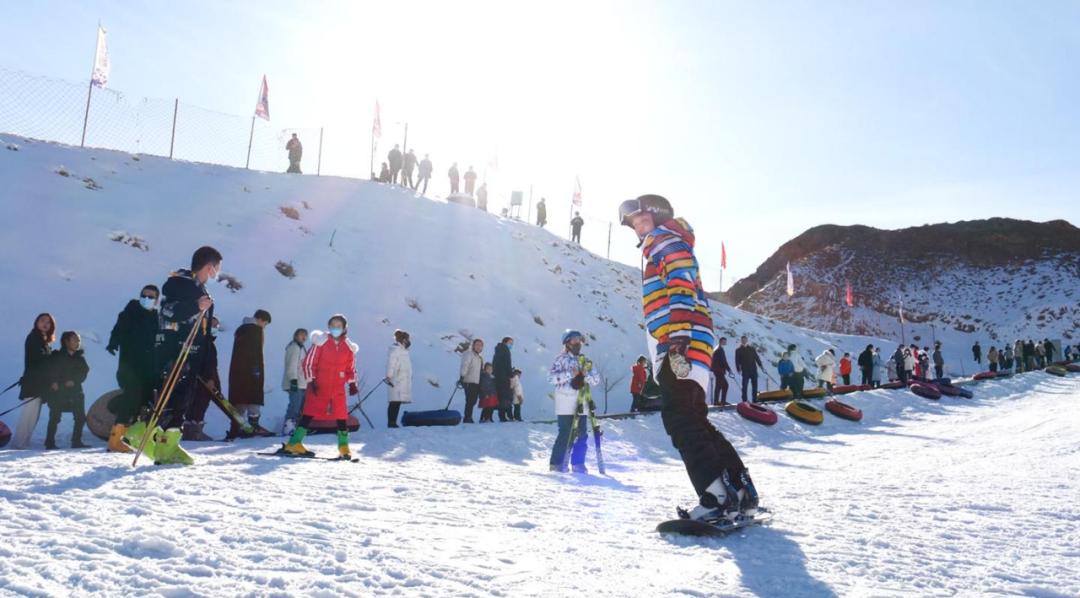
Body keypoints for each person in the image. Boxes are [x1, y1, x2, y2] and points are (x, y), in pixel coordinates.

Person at [619, 193, 758, 520]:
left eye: (643, 219)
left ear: (657, 216)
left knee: (680, 419)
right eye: (634, 223)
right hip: (691, 339)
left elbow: (680, 283)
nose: (639, 227)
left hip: (681, 338)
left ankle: (715, 498)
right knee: (694, 420)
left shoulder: (664, 241)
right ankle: (740, 490)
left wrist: (678, 334)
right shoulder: (669, 241)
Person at [126, 246, 221, 465]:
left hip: (191, 351)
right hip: (176, 349)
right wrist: (195, 307)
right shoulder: (181, 284)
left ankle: (166, 443)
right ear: (209, 267)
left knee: (182, 398)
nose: (217, 274)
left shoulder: (199, 289)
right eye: (217, 269)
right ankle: (145, 433)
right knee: (171, 396)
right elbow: (169, 311)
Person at [281, 314, 359, 458]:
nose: (335, 328)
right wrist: (311, 380)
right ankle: (294, 443)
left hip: (337, 387)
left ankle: (344, 448)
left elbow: (351, 368)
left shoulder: (349, 347)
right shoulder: (320, 342)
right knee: (309, 413)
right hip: (319, 385)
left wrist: (353, 382)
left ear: (344, 328)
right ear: (329, 326)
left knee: (342, 415)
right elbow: (309, 363)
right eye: (333, 325)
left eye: (338, 325)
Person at [105, 286, 159, 452]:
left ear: (156, 300)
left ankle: (131, 437)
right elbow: (119, 328)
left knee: (142, 401)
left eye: (151, 296)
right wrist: (113, 342)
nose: (147, 298)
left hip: (148, 368)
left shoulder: (156, 317)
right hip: (129, 365)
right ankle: (116, 439)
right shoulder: (130, 311)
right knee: (132, 397)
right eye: (144, 295)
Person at [547, 329, 600, 473]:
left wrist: (585, 375)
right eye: (574, 340)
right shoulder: (561, 359)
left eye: (579, 340)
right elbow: (551, 378)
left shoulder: (586, 361)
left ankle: (578, 463)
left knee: (582, 434)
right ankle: (557, 463)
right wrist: (570, 374)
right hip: (565, 401)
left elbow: (596, 380)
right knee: (565, 433)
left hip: (581, 402)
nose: (578, 343)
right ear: (567, 342)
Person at [12, 313, 56, 449]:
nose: (45, 324)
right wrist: (54, 357)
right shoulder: (34, 338)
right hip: (33, 383)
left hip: (38, 383)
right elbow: (39, 359)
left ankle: (22, 444)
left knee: (33, 415)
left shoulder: (42, 340)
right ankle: (19, 445)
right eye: (42, 321)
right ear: (36, 322)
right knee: (29, 415)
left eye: (48, 322)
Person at [227, 309, 272, 439]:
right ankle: (253, 426)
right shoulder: (255, 330)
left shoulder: (242, 329)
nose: (264, 326)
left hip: (238, 372)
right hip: (251, 371)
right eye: (265, 323)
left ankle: (236, 428)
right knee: (253, 397)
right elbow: (254, 352)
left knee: (240, 400)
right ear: (261, 320)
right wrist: (256, 368)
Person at [42, 331, 90, 449]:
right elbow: (49, 370)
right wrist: (53, 382)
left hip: (75, 391)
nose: (78, 342)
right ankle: (49, 442)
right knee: (55, 417)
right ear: (66, 341)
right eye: (75, 339)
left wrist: (74, 381)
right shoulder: (56, 356)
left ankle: (76, 441)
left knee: (80, 417)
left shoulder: (80, 358)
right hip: (58, 391)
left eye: (78, 340)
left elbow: (84, 372)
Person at [183, 318, 220, 442]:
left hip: (203, 378)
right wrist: (210, 378)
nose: (216, 327)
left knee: (199, 403)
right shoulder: (203, 341)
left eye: (217, 325)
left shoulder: (208, 341)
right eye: (214, 325)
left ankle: (192, 430)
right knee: (198, 403)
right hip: (201, 379)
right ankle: (193, 432)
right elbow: (209, 363)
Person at [281, 328, 309, 436]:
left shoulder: (301, 348)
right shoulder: (294, 347)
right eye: (301, 335)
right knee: (295, 406)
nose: (304, 337)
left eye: (305, 335)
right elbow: (291, 365)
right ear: (296, 336)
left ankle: (294, 426)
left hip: (302, 383)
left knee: (300, 406)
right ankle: (288, 428)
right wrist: (293, 380)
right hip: (295, 382)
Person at [385, 329, 412, 428]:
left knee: (397, 402)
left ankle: (393, 422)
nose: (409, 341)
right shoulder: (395, 349)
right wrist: (389, 376)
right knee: (394, 402)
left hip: (401, 380)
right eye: (407, 339)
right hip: (395, 380)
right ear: (403, 340)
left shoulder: (403, 350)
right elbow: (391, 364)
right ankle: (391, 422)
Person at [458, 338, 484, 423]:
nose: (479, 347)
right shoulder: (469, 354)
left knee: (473, 401)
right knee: (469, 400)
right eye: (477, 345)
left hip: (476, 382)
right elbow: (465, 365)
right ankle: (467, 418)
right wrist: (462, 376)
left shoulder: (479, 358)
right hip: (469, 381)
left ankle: (469, 417)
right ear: (473, 345)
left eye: (481, 345)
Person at [735, 336, 763, 402]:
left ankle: (755, 400)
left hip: (753, 370)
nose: (744, 341)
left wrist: (761, 365)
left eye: (745, 340)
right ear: (741, 341)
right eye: (742, 340)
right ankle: (744, 400)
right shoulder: (738, 350)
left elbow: (757, 358)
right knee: (744, 386)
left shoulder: (752, 349)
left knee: (755, 386)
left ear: (747, 340)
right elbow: (737, 360)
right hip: (745, 371)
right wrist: (738, 369)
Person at [493, 337, 515, 422]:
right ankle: (503, 416)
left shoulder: (498, 350)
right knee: (505, 396)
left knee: (500, 396)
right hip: (503, 377)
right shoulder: (505, 350)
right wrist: (510, 374)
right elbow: (507, 363)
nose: (511, 345)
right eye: (510, 343)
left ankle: (501, 415)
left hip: (497, 376)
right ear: (505, 342)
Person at [709, 337, 731, 406]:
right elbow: (723, 361)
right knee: (722, 386)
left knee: (722, 386)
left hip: (717, 370)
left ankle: (720, 401)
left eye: (725, 341)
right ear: (720, 341)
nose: (725, 342)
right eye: (724, 341)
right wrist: (729, 369)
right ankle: (719, 402)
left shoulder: (717, 348)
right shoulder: (720, 349)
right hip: (719, 370)